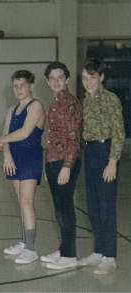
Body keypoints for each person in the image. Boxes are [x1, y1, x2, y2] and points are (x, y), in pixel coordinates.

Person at [78, 58, 125, 274]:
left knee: (106, 207)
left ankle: (109, 256)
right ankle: (98, 250)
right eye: (84, 78)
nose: (88, 82)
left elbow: (119, 133)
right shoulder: (85, 101)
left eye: (92, 77)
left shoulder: (111, 99)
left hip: (105, 153)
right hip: (90, 152)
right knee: (93, 205)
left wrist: (112, 162)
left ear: (101, 77)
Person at [0, 70, 45, 264]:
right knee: (21, 201)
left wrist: (2, 140)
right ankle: (25, 241)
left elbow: (25, 132)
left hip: (30, 158)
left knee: (26, 201)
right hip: (14, 159)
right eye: (15, 85)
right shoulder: (12, 110)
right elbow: (5, 136)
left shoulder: (36, 106)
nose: (18, 89)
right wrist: (7, 155)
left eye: (22, 85)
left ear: (31, 86)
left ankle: (31, 248)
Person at [40, 62, 82, 270]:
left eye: (60, 77)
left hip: (67, 161)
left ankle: (69, 255)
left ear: (67, 79)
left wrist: (66, 167)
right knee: (59, 208)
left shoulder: (70, 103)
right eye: (52, 78)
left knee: (64, 208)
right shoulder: (54, 102)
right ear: (48, 82)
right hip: (54, 160)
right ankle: (64, 248)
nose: (56, 81)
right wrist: (50, 164)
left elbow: (74, 139)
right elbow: (53, 135)